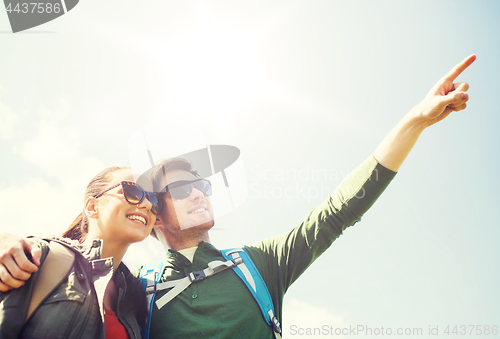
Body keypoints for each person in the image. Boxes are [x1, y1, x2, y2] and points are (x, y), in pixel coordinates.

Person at [0, 55, 476, 338]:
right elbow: (79, 266)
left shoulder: (257, 264)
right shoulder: (132, 291)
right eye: (182, 188)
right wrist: (10, 243)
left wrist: (415, 120)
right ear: (155, 212)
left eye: (204, 185)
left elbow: (338, 209)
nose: (201, 194)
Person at [0, 166, 163, 338]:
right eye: (132, 191)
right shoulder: (38, 255)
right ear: (92, 207)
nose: (147, 204)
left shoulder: (136, 296)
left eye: (154, 200)